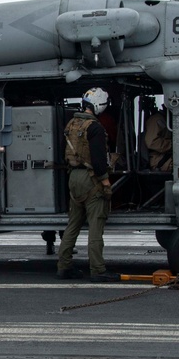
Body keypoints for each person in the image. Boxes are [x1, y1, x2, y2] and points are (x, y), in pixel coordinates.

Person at [57, 88, 120, 282]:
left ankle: (64, 266)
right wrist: (106, 182)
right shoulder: (95, 128)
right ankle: (98, 269)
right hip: (91, 179)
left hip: (73, 178)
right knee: (95, 226)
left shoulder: (72, 124)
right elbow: (100, 161)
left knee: (73, 225)